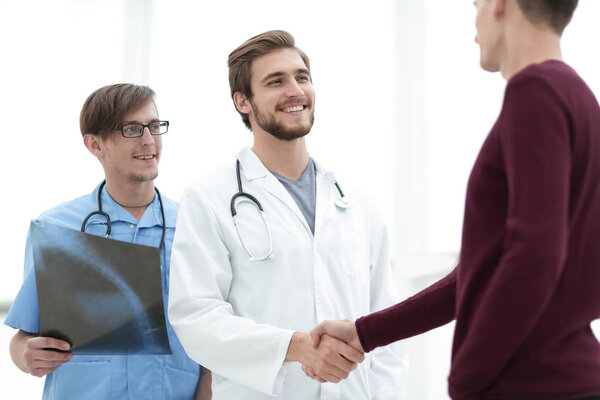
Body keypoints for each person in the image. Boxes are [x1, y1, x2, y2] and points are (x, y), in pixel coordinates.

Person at [307, 0, 600, 398]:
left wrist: (467, 376)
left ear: (499, 5)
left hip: (529, 384)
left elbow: (535, 253)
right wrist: (365, 333)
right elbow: (482, 269)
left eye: (476, 4)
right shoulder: (580, 100)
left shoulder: (535, 93)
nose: (475, 20)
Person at [167, 30, 407, 399]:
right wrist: (294, 346)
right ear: (243, 101)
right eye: (276, 81)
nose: (295, 90)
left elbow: (386, 329)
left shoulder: (356, 204)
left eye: (302, 77)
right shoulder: (209, 197)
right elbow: (196, 319)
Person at [5, 83, 209, 399]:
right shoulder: (56, 229)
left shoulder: (195, 228)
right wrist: (25, 356)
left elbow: (213, 336)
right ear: (94, 144)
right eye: (131, 128)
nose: (149, 140)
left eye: (154, 126)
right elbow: (24, 337)